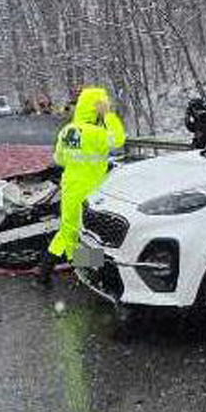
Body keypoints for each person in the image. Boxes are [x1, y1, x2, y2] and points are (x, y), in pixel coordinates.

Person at [38, 87, 126, 288]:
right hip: (91, 191)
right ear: (97, 108)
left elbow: (59, 158)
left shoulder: (69, 130)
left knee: (68, 230)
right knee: (93, 233)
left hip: (70, 187)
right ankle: (99, 271)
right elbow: (119, 139)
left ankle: (45, 272)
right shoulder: (97, 133)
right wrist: (109, 115)